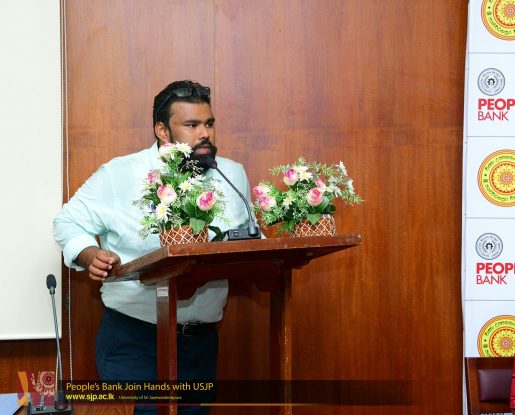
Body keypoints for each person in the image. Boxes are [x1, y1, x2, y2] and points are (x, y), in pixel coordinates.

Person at [53, 80, 254, 414]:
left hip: (201, 345)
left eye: (209, 123)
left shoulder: (231, 174)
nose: (204, 134)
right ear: (162, 130)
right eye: (191, 125)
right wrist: (90, 254)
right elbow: (67, 222)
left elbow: (248, 238)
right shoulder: (120, 174)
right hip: (136, 341)